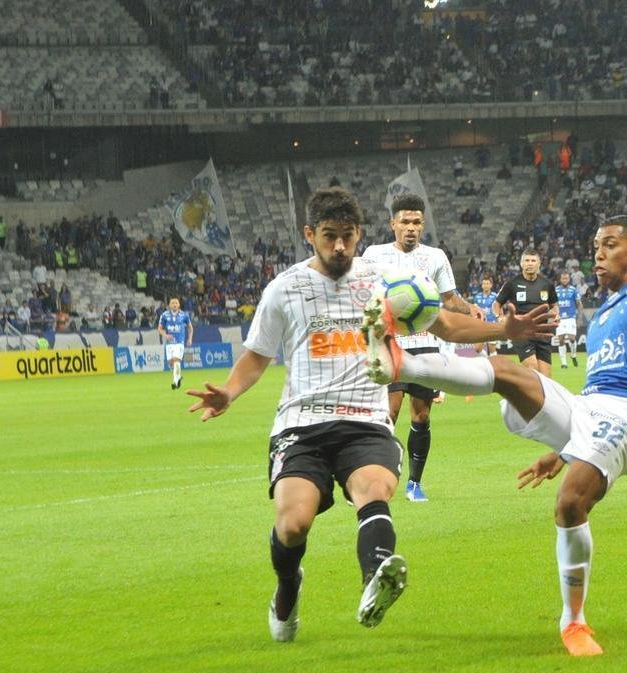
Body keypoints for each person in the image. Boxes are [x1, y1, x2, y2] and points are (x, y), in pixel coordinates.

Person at [186, 187, 554, 643]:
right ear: (309, 234)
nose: (339, 246)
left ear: (360, 233)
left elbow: (445, 323)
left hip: (365, 418)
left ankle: (374, 580)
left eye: (346, 236)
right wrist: (228, 391)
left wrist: (502, 328)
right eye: (328, 236)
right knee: (294, 522)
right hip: (303, 423)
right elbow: (257, 356)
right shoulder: (285, 288)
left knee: (375, 488)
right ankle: (288, 584)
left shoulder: (384, 285)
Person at [361, 216, 627, 657]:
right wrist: (564, 450)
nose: (597, 254)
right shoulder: (601, 315)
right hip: (592, 409)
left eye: (609, 245)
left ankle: (574, 622)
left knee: (569, 502)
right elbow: (594, 400)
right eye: (595, 246)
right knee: (509, 372)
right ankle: (398, 365)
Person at [361, 193, 483, 503]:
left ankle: (414, 483)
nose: (411, 228)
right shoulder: (374, 255)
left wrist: (470, 309)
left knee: (421, 416)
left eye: (416, 222)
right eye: (405, 222)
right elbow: (359, 291)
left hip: (426, 344)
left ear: (423, 224)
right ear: (393, 224)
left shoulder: (435, 256)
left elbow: (449, 299)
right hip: (390, 341)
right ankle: (378, 476)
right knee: (388, 412)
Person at [494, 249, 557, 375]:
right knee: (533, 369)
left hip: (543, 333)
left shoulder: (547, 284)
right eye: (527, 260)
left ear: (539, 264)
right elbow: (496, 304)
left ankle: (517, 393)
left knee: (546, 379)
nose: (530, 263)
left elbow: (554, 305)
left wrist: (556, 314)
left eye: (533, 261)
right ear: (521, 264)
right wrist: (499, 316)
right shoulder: (512, 283)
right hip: (522, 332)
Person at [157, 296, 193, 389]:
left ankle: (175, 381)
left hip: (179, 342)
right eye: (172, 303)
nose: (174, 305)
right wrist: (165, 335)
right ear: (169, 305)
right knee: (171, 363)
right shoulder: (164, 315)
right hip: (169, 343)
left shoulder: (184, 315)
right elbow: (160, 328)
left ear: (179, 304)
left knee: (176, 359)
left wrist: (189, 338)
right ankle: (178, 376)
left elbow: (190, 327)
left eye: (176, 303)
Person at [554, 271, 582, 368]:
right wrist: (553, 316)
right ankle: (564, 363)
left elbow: (579, 304)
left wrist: (579, 318)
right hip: (560, 318)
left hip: (571, 317)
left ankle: (573, 355)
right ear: (560, 279)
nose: (565, 280)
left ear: (569, 279)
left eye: (566, 278)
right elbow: (553, 304)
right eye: (563, 278)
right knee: (560, 340)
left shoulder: (573, 290)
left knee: (572, 339)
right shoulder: (556, 290)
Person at [471, 275, 499, 358]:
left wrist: (500, 318)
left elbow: (499, 309)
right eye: (484, 284)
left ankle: (495, 367)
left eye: (487, 283)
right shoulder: (477, 297)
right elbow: (474, 311)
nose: (486, 285)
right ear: (482, 285)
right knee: (477, 349)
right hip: (481, 325)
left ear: (491, 285)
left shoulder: (495, 296)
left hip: (492, 324)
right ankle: (486, 358)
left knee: (492, 349)